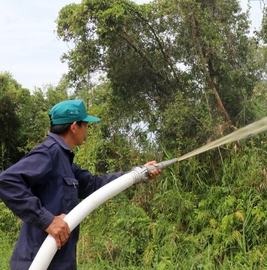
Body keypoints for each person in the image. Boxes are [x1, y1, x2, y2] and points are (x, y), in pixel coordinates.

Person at [0, 99, 162, 270]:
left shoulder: (65, 160)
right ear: (74, 127)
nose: (86, 130)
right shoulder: (49, 153)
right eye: (85, 125)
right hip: (38, 261)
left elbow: (94, 185)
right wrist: (47, 220)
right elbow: (6, 181)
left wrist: (138, 173)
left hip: (60, 261)